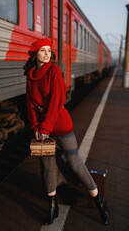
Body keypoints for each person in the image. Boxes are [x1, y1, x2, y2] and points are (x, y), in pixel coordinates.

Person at [23, 38, 110, 226]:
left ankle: (99, 200)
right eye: (42, 50)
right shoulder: (31, 75)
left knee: (75, 163)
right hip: (43, 130)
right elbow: (30, 105)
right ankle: (52, 206)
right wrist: (36, 128)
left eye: (49, 51)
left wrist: (45, 127)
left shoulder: (54, 71)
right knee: (47, 167)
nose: (47, 54)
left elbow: (56, 101)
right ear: (35, 54)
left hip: (60, 126)